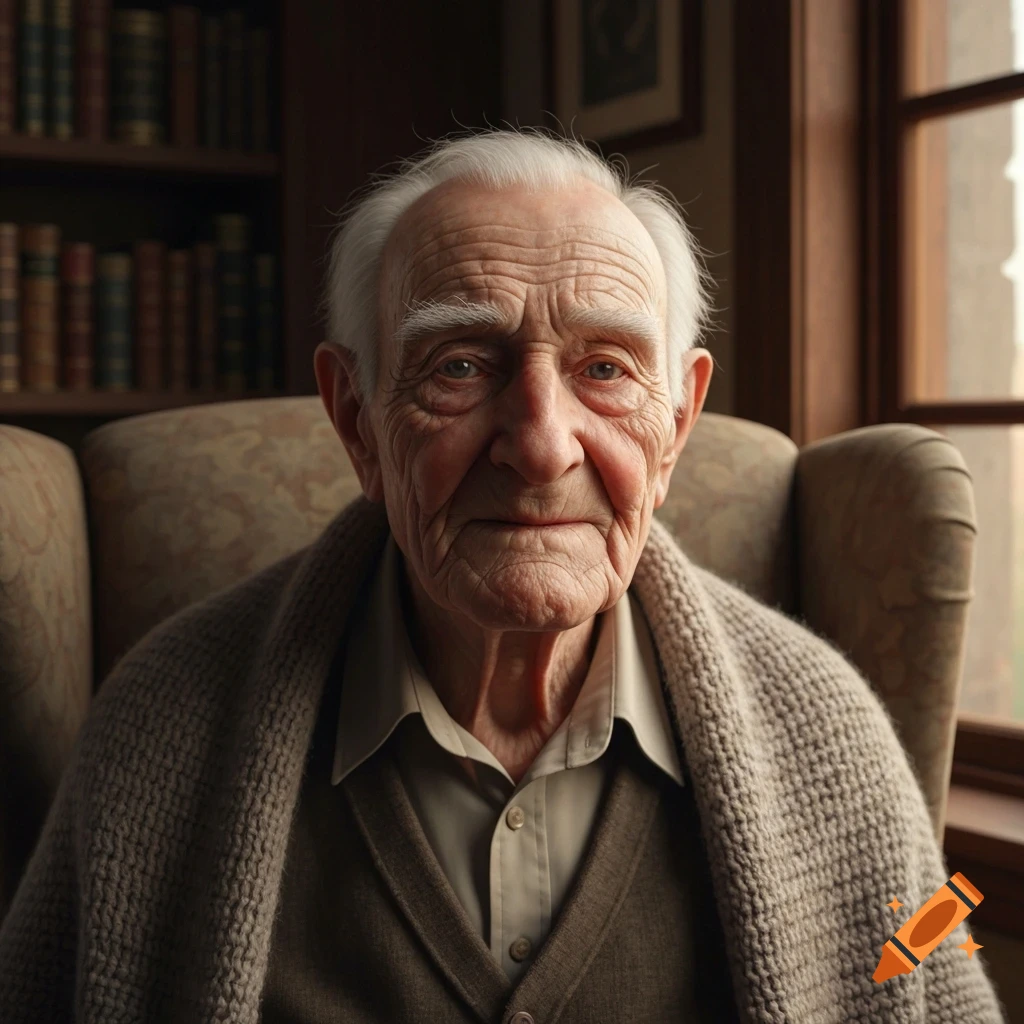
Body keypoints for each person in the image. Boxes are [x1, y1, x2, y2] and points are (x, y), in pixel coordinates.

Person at [0, 129, 1007, 1024]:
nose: (538, 446)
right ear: (355, 416)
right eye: (460, 364)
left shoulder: (829, 733)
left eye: (605, 367)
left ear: (676, 427)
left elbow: (930, 974)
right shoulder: (157, 727)